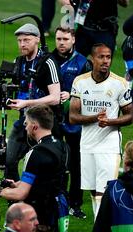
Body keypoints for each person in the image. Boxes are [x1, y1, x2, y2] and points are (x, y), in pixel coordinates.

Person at [69, 43, 133, 221]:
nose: (106, 61)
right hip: (87, 144)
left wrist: (110, 121)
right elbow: (73, 117)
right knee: (92, 188)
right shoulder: (80, 82)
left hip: (109, 144)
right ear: (92, 59)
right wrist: (95, 118)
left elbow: (129, 116)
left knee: (103, 190)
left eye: (108, 57)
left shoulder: (120, 83)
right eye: (101, 57)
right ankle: (101, 229)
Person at [5, 23, 62, 182]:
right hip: (24, 122)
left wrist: (27, 103)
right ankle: (15, 199)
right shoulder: (18, 61)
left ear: (37, 39)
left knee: (46, 165)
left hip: (45, 125)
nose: (22, 44)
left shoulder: (48, 62)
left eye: (26, 40)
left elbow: (55, 97)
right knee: (9, 161)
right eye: (20, 40)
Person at [52, 27, 91, 219]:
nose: (61, 42)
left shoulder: (83, 63)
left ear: (73, 40)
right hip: (53, 120)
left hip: (75, 122)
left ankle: (75, 204)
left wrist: (72, 96)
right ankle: (58, 199)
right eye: (58, 38)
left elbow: (92, 93)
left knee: (76, 163)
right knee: (57, 161)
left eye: (65, 39)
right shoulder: (48, 60)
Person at [60, 0, 129, 57]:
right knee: (71, 66)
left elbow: (125, 3)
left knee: (101, 69)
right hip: (81, 28)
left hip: (105, 30)